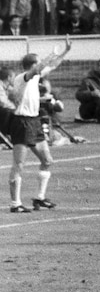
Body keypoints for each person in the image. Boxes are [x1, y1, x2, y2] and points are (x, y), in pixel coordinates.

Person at [8, 35, 71, 213]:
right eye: (37, 64)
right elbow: (41, 66)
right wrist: (51, 53)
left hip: (34, 121)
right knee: (19, 164)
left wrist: (65, 51)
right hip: (21, 122)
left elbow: (52, 66)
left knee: (47, 160)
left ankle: (40, 198)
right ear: (32, 65)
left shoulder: (35, 77)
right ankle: (15, 203)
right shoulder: (24, 77)